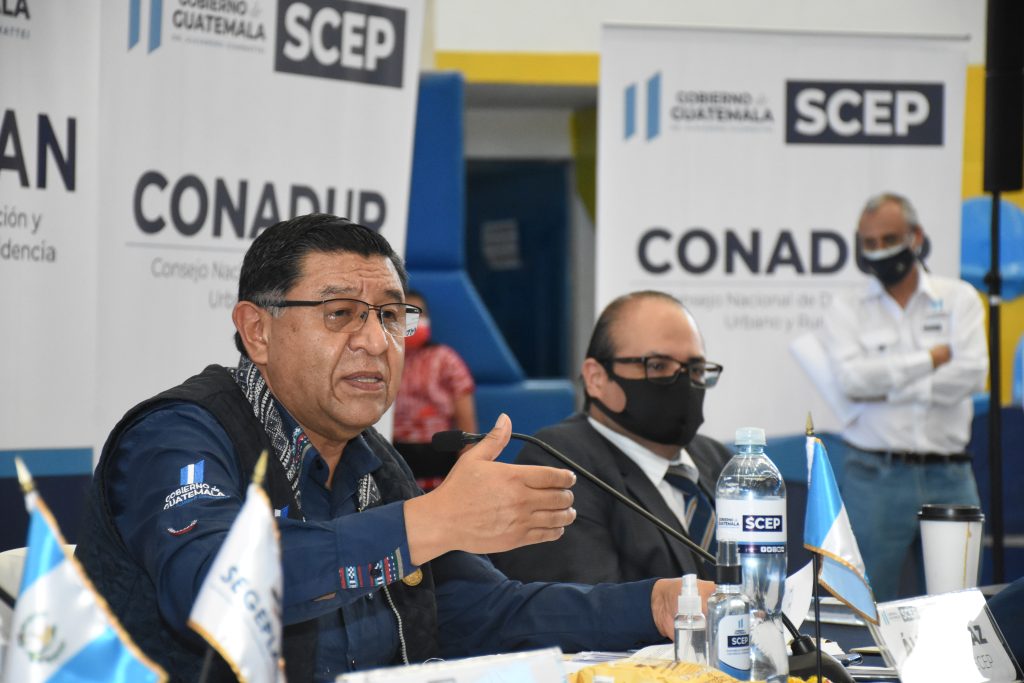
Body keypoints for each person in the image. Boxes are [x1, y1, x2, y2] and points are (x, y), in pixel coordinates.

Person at [76, 214, 692, 683]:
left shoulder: (370, 460)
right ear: (257, 331)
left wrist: (657, 602)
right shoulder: (176, 435)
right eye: (341, 313)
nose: (376, 341)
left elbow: (486, 611)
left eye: (392, 315)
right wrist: (432, 520)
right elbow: (213, 584)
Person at [491, 290, 730, 584]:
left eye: (695, 369)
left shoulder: (721, 461)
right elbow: (577, 604)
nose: (683, 383)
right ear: (596, 378)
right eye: (657, 366)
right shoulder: (559, 464)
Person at [821, 192, 988, 601]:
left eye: (890, 239)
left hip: (950, 474)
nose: (879, 251)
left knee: (959, 606)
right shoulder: (847, 307)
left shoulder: (959, 298)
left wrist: (887, 384)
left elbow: (972, 375)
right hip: (874, 477)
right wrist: (930, 359)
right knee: (866, 603)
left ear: (916, 237)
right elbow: (853, 382)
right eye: (869, 243)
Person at [393, 290, 477, 490]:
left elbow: (466, 423)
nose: (411, 320)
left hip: (439, 467)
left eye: (417, 313)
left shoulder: (446, 360)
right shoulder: (383, 360)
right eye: (404, 314)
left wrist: (466, 475)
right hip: (394, 467)